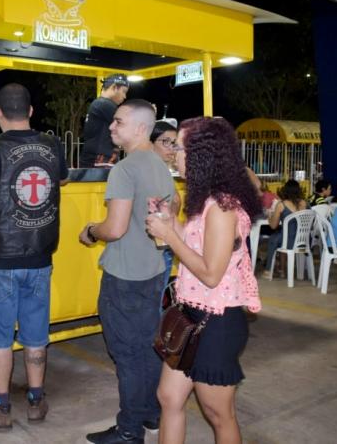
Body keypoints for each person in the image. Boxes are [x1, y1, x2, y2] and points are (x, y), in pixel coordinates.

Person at [145, 117, 263, 444]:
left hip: (218, 321)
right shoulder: (205, 201)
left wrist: (170, 235)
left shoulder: (223, 207)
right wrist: (173, 225)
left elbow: (212, 274)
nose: (174, 154)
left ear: (202, 154)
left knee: (217, 413)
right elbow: (198, 249)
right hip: (193, 315)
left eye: (180, 147)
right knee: (169, 397)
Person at [0, 83, 68, 432]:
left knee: (0, 335)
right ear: (31, 111)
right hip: (40, 256)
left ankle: (1, 406)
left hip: (0, 259)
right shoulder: (52, 145)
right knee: (36, 332)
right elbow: (60, 180)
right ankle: (36, 400)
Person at [79, 99, 175, 444]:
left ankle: (129, 430)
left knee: (127, 355)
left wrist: (91, 230)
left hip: (124, 277)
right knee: (147, 348)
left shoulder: (125, 169)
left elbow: (115, 228)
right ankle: (150, 414)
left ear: (140, 128)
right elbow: (170, 212)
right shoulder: (160, 166)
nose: (111, 127)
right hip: (152, 270)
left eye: (118, 122)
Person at [150, 120, 181, 290]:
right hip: (158, 249)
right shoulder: (154, 169)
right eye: (165, 142)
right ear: (150, 142)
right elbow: (175, 200)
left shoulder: (161, 170)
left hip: (160, 248)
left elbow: (175, 200)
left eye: (174, 143)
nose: (171, 148)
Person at [80, 73, 130, 168]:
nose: (125, 96)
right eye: (124, 91)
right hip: (101, 160)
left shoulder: (98, 104)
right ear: (114, 87)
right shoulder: (105, 104)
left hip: (95, 158)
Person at [262, 179, 309, 279]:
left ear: (285, 191)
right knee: (282, 236)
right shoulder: (305, 204)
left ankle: (268, 270)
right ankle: (282, 270)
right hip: (303, 241)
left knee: (274, 239)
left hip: (287, 240)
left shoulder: (281, 205)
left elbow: (273, 226)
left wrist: (270, 216)